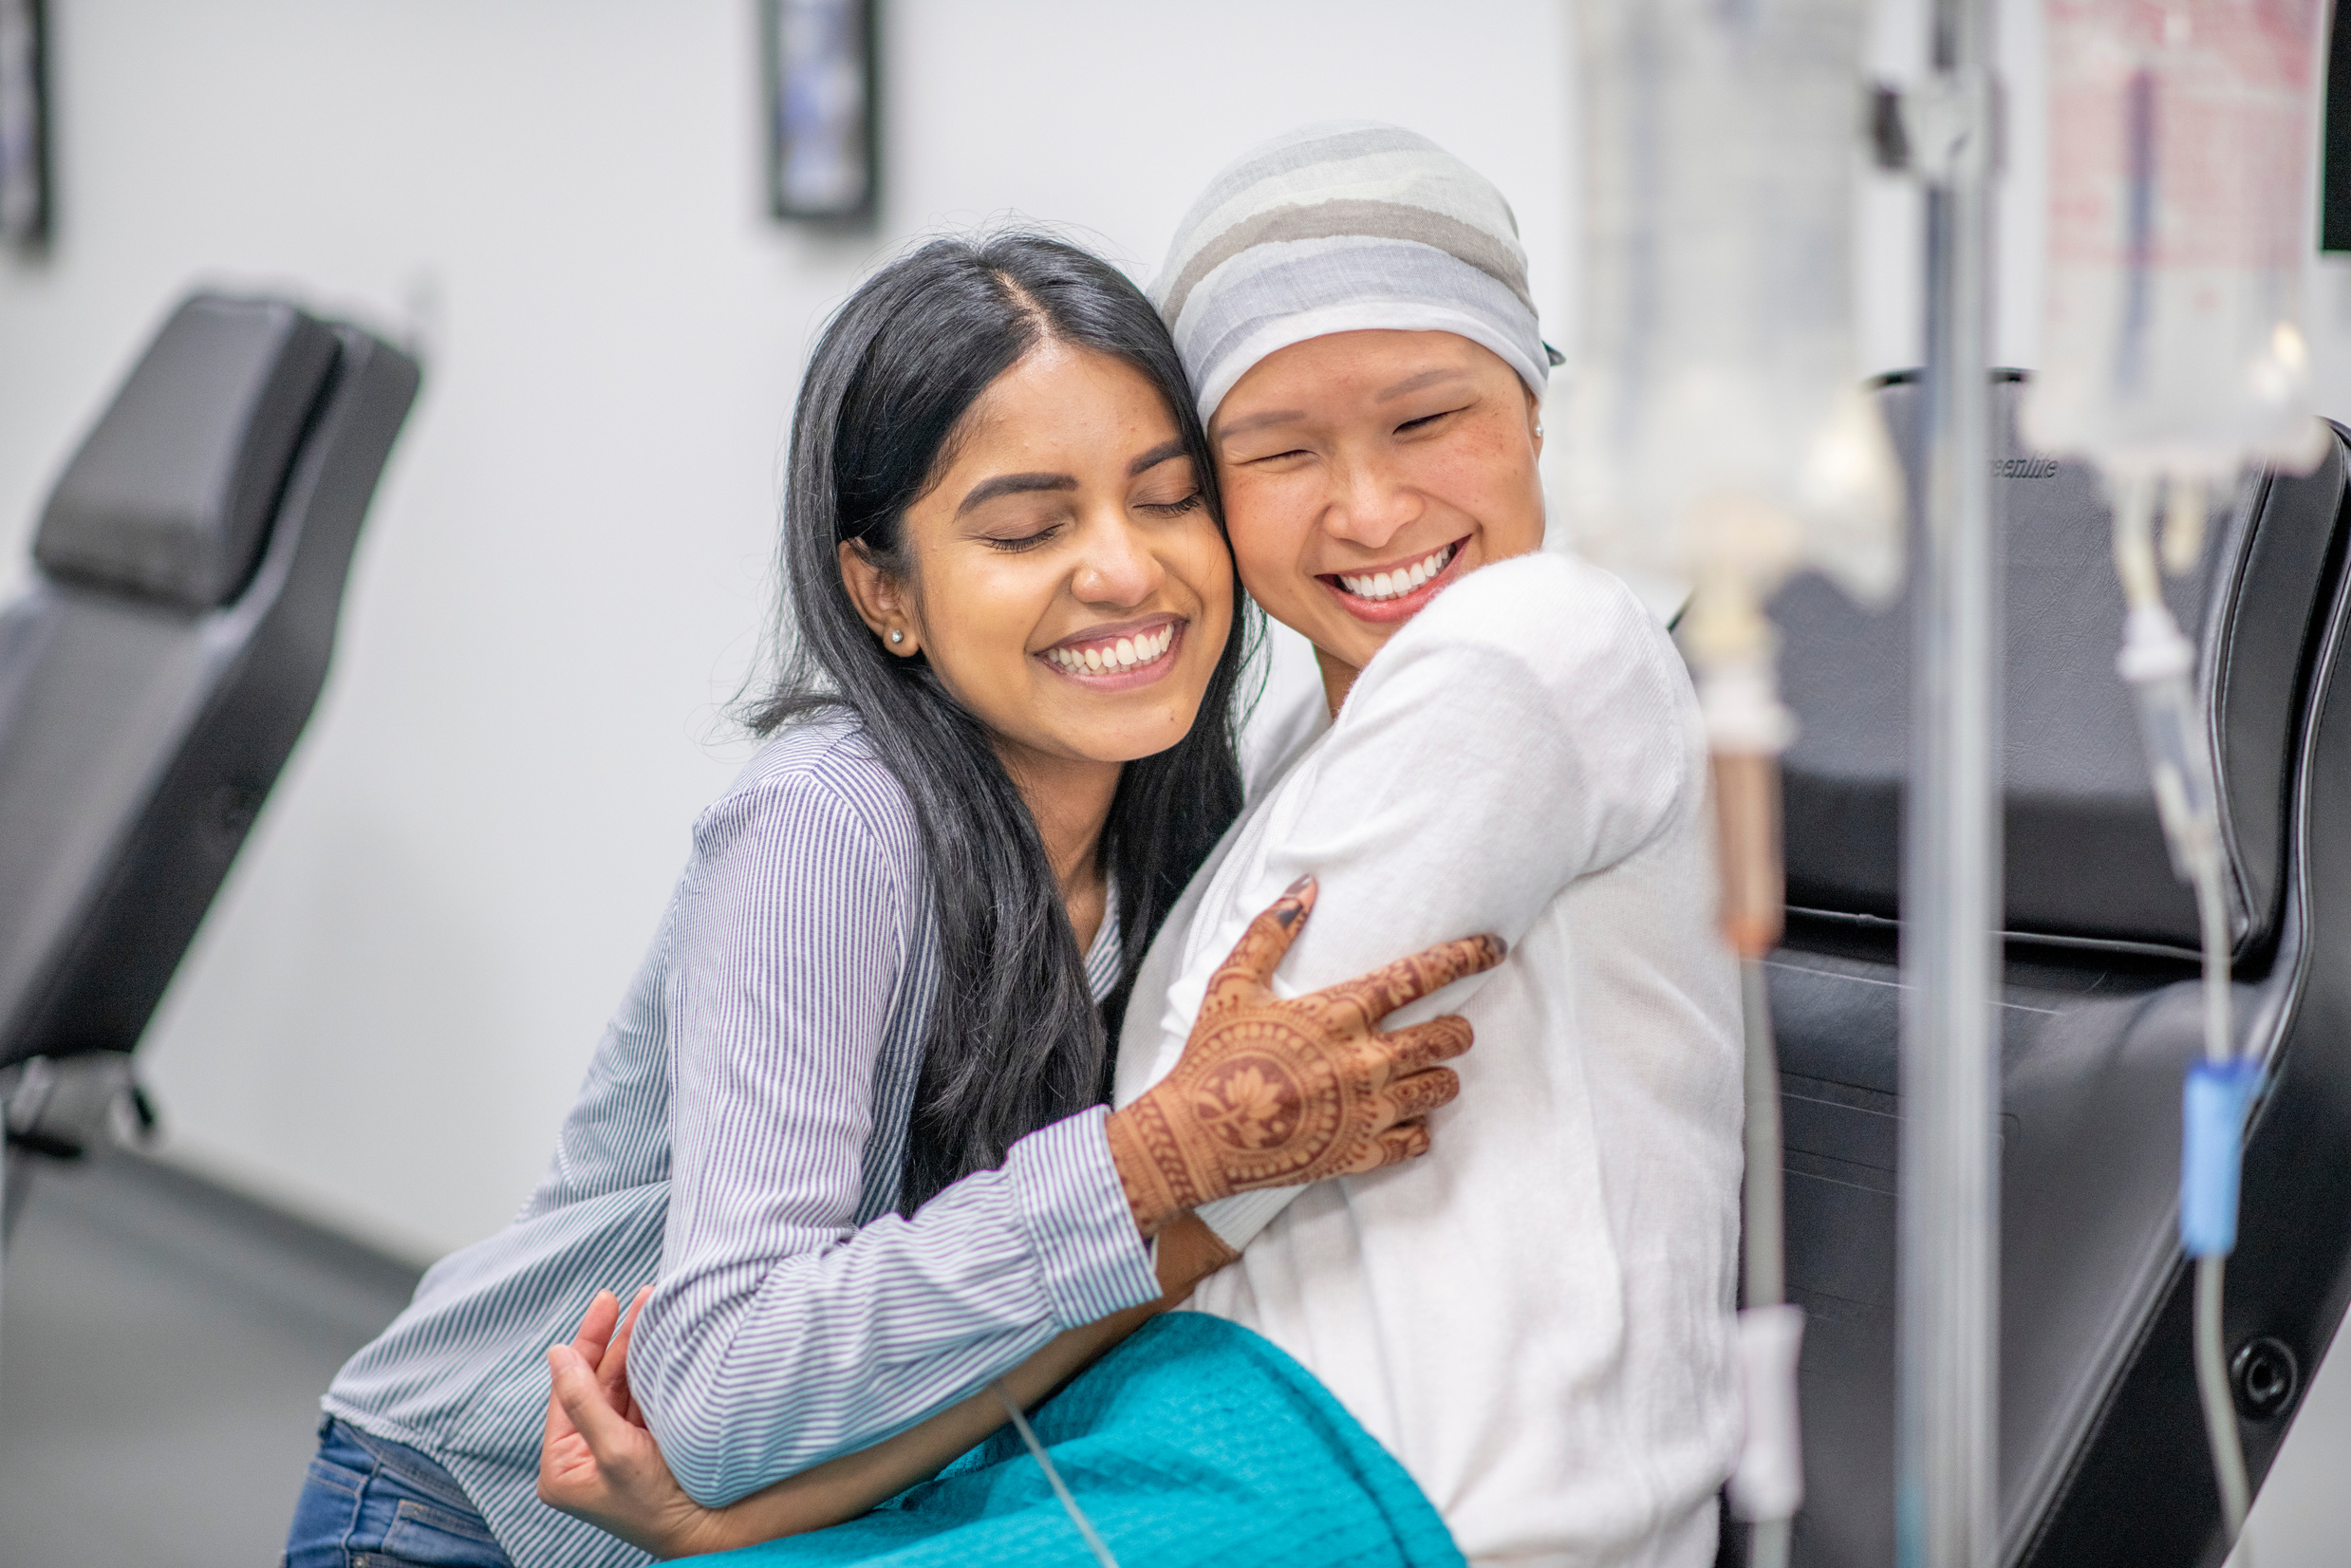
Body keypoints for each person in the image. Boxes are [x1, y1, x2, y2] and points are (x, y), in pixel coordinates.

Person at [542, 124, 1745, 1568]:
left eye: (1427, 421)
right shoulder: (1214, 764)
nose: (1369, 507)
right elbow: (1160, 1208)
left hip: (1374, 1478)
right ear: (882, 590)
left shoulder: (1520, 641)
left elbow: (1183, 1207)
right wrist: (751, 1513)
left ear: (1536, 408)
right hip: (1133, 1440)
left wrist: (747, 1518)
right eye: (1277, 451)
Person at [285, 232, 1497, 1568]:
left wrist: (739, 1521)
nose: (1123, 569)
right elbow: (719, 1386)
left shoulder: (1189, 820)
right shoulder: (828, 826)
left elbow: (1080, 1298)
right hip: (462, 1520)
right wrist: (1147, 1161)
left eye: (1165, 500)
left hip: (780, 1523)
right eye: (1027, 529)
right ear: (883, 592)